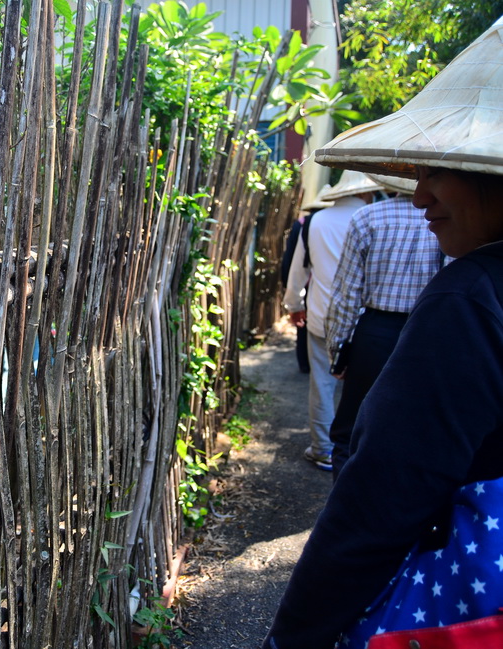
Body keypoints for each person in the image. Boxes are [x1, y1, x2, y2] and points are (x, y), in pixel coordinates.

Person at [263, 17, 503, 649]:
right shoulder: (452, 273)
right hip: (404, 334)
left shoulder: (471, 298)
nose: (420, 193)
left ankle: (327, 450)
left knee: (353, 434)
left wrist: (294, 634)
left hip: (373, 334)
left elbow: (382, 497)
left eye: (436, 170)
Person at [323, 174, 444, 478]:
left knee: (351, 427)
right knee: (412, 425)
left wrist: (338, 350)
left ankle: (344, 507)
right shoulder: (445, 219)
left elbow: (345, 294)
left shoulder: (367, 217)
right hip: (426, 331)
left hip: (374, 333)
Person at [283, 170, 382, 471]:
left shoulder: (316, 221)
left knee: (322, 385)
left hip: (321, 316)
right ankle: (362, 448)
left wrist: (293, 304)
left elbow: (299, 270)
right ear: (366, 191)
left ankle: (323, 449)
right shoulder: (374, 218)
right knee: (367, 387)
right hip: (366, 321)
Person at [280, 184, 334, 374]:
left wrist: (289, 289)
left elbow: (290, 258)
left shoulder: (303, 223)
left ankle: (305, 363)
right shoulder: (333, 223)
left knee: (306, 325)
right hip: (323, 281)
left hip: (307, 282)